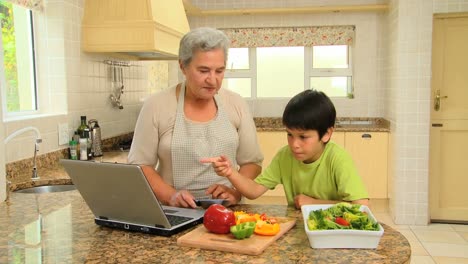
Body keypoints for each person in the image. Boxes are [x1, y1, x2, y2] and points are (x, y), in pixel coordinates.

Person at [128, 27, 263, 208]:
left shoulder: (236, 104)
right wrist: (171, 196)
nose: (213, 80)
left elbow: (252, 163)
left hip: (226, 210)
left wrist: (235, 192)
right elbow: (141, 165)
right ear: (183, 66)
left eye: (219, 71)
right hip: (173, 211)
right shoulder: (156, 105)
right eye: (204, 70)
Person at [202, 89, 369, 209]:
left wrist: (314, 203)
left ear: (326, 134)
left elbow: (362, 207)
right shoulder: (285, 156)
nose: (294, 144)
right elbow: (253, 191)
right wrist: (230, 172)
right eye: (290, 134)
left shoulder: (338, 159)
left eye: (303, 137)